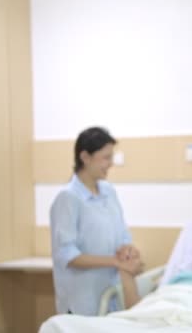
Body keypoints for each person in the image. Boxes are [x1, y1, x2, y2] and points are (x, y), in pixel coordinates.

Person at [41, 225, 192, 333]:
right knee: (57, 326)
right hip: (152, 315)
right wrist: (126, 272)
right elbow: (138, 309)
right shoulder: (185, 277)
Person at [50, 126, 143, 316]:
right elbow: (68, 255)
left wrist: (128, 250)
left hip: (110, 296)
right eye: (106, 158)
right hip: (82, 300)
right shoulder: (68, 198)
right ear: (85, 157)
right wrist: (115, 262)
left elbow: (122, 234)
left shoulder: (108, 191)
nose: (110, 164)